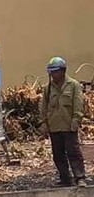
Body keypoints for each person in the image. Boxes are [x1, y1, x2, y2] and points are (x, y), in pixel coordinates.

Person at [40, 57, 86, 187]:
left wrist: (76, 120)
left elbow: (78, 104)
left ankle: (80, 177)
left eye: (55, 72)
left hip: (69, 125)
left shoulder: (73, 85)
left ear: (63, 71)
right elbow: (44, 107)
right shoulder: (48, 88)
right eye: (51, 72)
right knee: (58, 155)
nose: (53, 75)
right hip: (54, 126)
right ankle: (65, 179)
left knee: (74, 153)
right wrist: (43, 123)